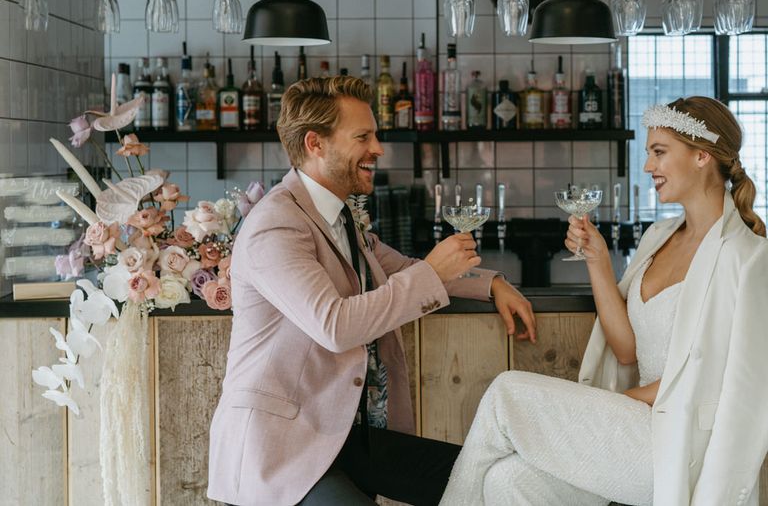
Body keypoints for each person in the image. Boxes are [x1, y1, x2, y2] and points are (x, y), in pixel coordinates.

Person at [207, 75, 536, 506]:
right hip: (282, 451)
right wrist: (432, 271)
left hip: (348, 438)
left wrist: (492, 283)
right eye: (363, 136)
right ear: (315, 144)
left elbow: (403, 270)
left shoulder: (342, 218)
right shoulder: (276, 224)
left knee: (490, 482)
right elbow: (335, 324)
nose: (378, 148)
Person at [440, 96, 768, 506]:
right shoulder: (657, 238)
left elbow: (728, 385)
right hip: (632, 428)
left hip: (676, 445)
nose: (648, 167)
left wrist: (612, 402)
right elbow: (627, 351)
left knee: (507, 392)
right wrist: (596, 260)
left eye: (659, 152)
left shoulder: (749, 257)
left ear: (702, 156)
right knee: (509, 481)